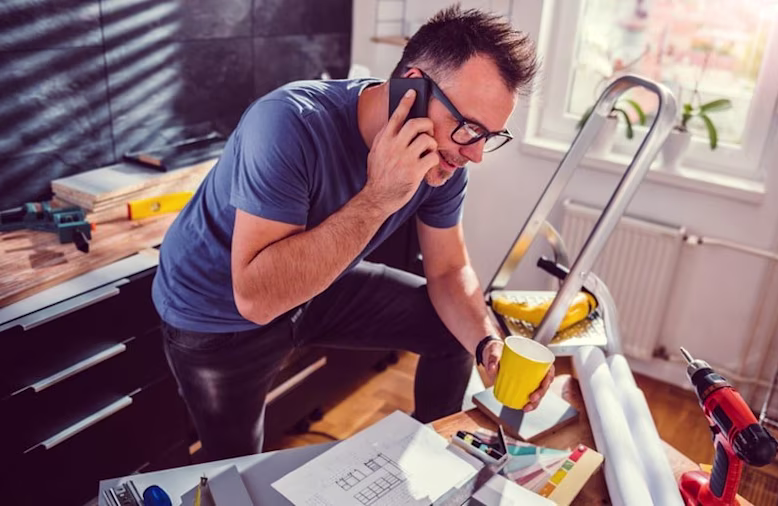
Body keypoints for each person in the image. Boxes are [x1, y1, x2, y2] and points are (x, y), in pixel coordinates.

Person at [152, 5, 554, 461]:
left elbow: (449, 270)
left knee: (453, 333)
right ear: (413, 88)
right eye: (469, 128)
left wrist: (488, 342)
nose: (476, 154)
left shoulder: (444, 159)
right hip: (217, 311)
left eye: (489, 137)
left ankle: (439, 467)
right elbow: (257, 298)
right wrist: (380, 196)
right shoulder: (287, 123)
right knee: (233, 468)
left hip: (320, 282)